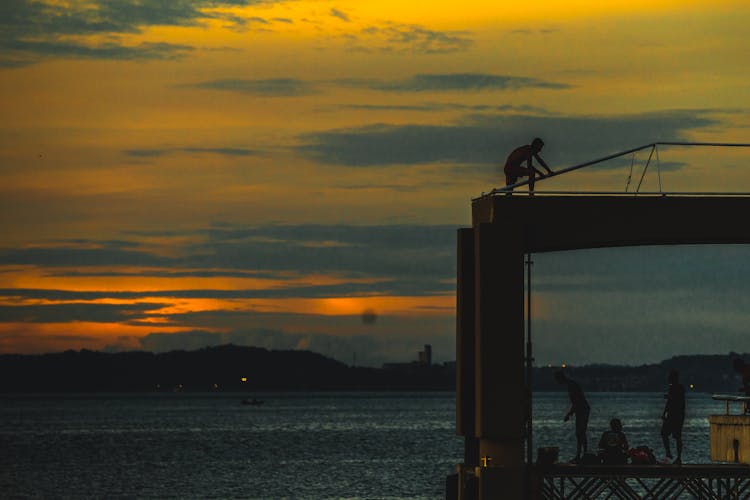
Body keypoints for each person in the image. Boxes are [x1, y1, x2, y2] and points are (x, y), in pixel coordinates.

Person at [555, 370, 590, 462]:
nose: (557, 383)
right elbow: (576, 403)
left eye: (557, 380)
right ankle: (579, 455)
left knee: (581, 433)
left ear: (561, 378)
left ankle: (583, 455)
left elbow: (577, 402)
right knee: (579, 433)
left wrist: (569, 414)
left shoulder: (572, 386)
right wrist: (570, 413)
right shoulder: (571, 385)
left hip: (583, 409)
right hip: (580, 409)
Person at [661, 369, 686, 464]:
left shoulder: (679, 388)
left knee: (676, 436)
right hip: (673, 415)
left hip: (676, 415)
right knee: (666, 434)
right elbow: (669, 402)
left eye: (669, 377)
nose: (668, 379)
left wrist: (669, 397)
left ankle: (677, 457)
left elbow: (675, 401)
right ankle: (669, 453)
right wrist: (664, 413)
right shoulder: (673, 388)